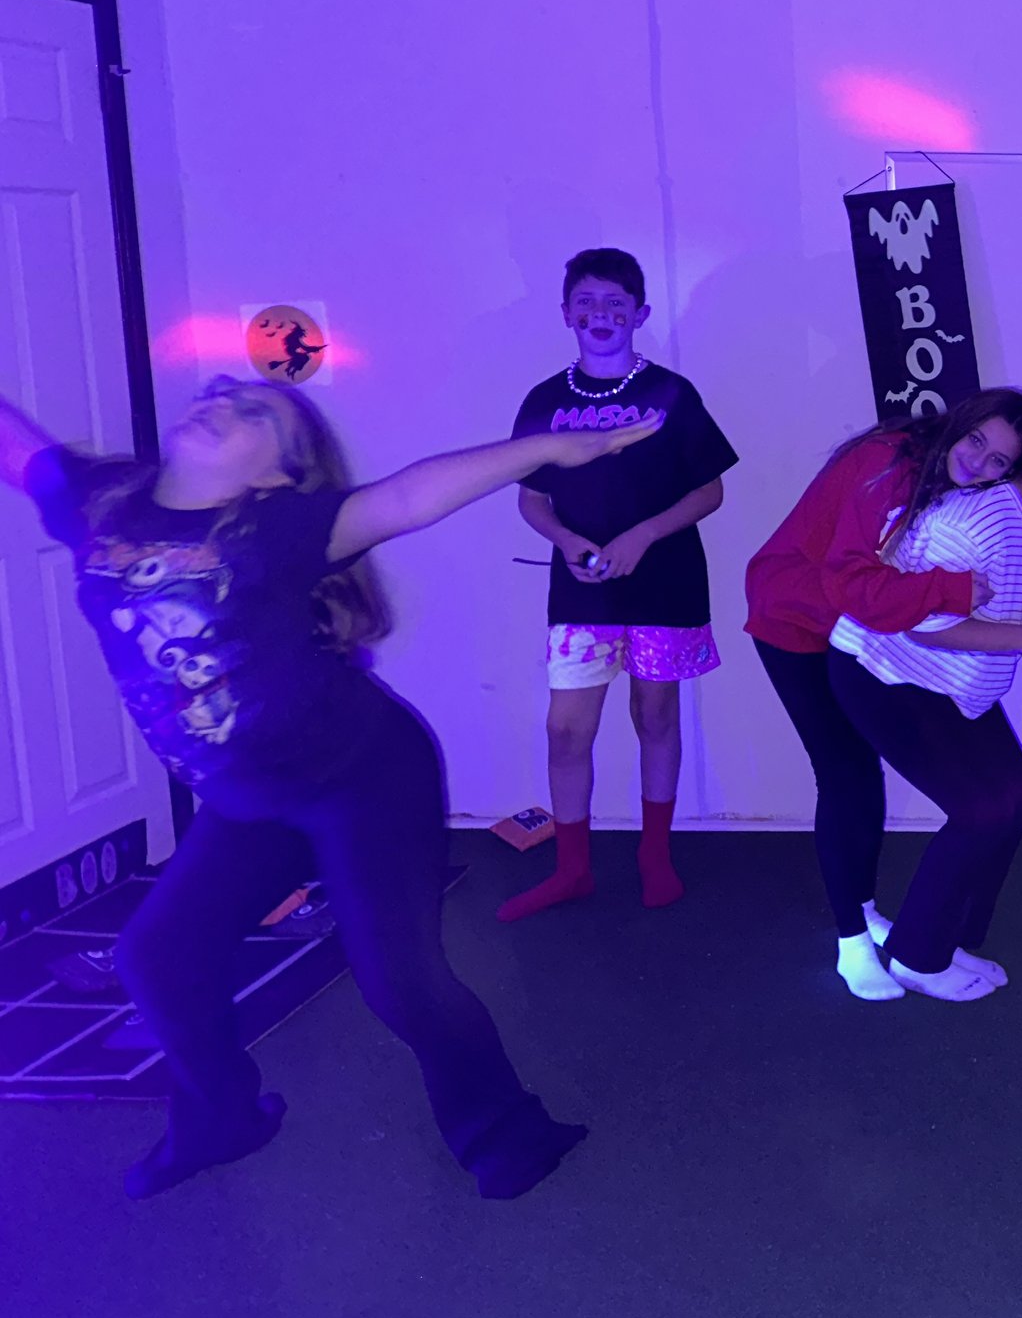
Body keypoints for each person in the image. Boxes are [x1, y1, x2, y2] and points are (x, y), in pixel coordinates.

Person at [0, 375, 652, 1199]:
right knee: (156, 958)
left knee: (396, 974)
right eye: (222, 395)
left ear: (276, 473)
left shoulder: (275, 526)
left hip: (362, 779)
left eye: (254, 415)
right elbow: (17, 451)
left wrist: (552, 447)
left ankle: (504, 1128)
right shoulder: (100, 503)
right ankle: (222, 1118)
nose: (223, 407)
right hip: (246, 800)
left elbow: (410, 497)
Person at [746, 388, 1022, 999]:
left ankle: (864, 909)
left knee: (861, 777)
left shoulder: (960, 484)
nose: (981, 461)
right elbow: (856, 585)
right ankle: (852, 941)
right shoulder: (887, 463)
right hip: (797, 621)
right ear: (959, 420)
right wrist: (951, 590)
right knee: (846, 775)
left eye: (998, 462)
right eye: (978, 440)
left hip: (848, 631)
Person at [829, 398, 1022, 1000]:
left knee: (1015, 794)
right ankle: (916, 956)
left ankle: (952, 937)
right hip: (884, 671)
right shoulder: (978, 519)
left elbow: (1019, 612)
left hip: (953, 685)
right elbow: (920, 623)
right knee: (982, 807)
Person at [500, 247, 738, 922]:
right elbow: (531, 499)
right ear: (567, 313)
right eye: (587, 303)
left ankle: (653, 854)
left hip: (666, 584)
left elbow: (710, 489)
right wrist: (568, 541)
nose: (600, 315)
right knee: (566, 730)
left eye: (615, 303)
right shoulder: (545, 400)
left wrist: (644, 534)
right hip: (581, 591)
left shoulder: (671, 394)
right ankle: (572, 867)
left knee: (655, 716)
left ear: (640, 313)